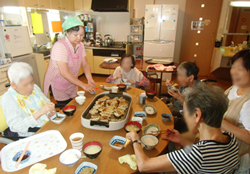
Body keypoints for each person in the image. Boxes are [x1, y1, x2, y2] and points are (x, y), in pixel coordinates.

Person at [126, 83, 239, 173]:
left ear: (197, 115)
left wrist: (135, 139)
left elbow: (144, 165)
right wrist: (181, 140)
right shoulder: (231, 139)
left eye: (184, 111)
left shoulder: (198, 154)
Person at [44, 16, 96, 107]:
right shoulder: (60, 47)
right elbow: (64, 72)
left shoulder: (80, 45)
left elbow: (85, 64)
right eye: (76, 35)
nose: (79, 38)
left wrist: (89, 78)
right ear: (67, 33)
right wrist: (83, 85)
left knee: (73, 104)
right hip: (59, 83)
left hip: (72, 81)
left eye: (82, 34)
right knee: (67, 108)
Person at [1, 62, 55, 137]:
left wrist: (50, 112)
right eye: (25, 84)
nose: (30, 87)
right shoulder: (9, 99)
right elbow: (16, 126)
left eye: (32, 81)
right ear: (13, 85)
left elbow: (47, 103)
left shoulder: (35, 87)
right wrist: (40, 113)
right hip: (32, 134)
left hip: (48, 125)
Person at [221, 49, 250, 173]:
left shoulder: (248, 102)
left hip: (232, 155)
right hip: (220, 143)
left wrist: (219, 120)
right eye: (233, 67)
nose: (234, 72)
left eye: (240, 69)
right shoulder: (234, 88)